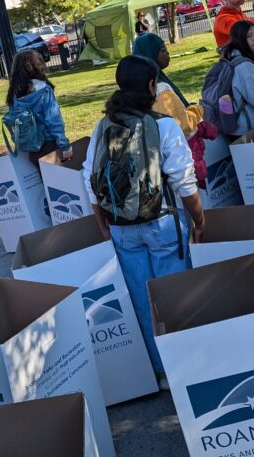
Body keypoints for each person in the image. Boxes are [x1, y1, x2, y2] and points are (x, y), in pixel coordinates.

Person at [83, 55, 205, 386]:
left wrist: (102, 225)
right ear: (152, 86)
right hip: (162, 221)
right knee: (176, 296)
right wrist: (199, 219)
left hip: (121, 226)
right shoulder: (163, 125)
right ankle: (187, 369)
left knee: (142, 299)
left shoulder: (103, 125)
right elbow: (183, 181)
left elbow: (89, 179)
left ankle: (161, 372)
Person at [132, 31, 217, 188]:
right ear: (150, 55)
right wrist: (197, 110)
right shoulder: (161, 88)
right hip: (177, 160)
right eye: (163, 50)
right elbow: (183, 125)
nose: (168, 53)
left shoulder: (134, 88)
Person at [5, 50, 72, 165]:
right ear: (38, 66)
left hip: (28, 148)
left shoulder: (13, 94)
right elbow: (54, 120)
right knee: (56, 182)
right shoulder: (44, 90)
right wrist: (64, 146)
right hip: (49, 148)